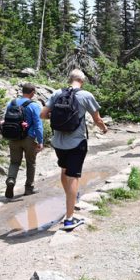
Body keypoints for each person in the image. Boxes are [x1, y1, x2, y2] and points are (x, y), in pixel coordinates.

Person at [41, 69, 107, 231]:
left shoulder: (57, 93)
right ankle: (69, 219)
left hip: (58, 142)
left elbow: (43, 114)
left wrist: (58, 117)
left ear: (69, 79)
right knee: (73, 177)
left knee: (64, 171)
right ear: (82, 81)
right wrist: (104, 128)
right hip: (76, 142)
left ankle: (70, 197)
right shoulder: (86, 95)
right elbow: (96, 119)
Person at [3, 83, 44, 199]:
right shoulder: (34, 106)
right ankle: (29, 188)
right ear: (32, 93)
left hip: (13, 137)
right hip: (29, 139)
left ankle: (11, 179)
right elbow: (38, 125)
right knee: (31, 163)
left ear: (22, 91)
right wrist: (40, 141)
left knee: (14, 162)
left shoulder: (12, 103)